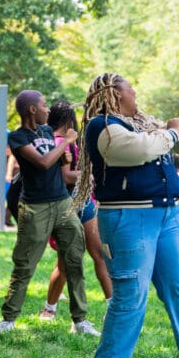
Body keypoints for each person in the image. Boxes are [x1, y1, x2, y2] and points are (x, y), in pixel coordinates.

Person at [73, 73, 179, 358]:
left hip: (167, 215)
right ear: (115, 94)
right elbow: (140, 150)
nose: (136, 95)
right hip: (128, 219)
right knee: (130, 296)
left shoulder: (141, 124)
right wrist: (173, 132)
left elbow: (158, 146)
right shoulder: (101, 127)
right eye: (132, 90)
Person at [0, 91, 97, 336]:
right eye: (43, 105)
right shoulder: (17, 137)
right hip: (35, 207)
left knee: (74, 259)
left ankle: (80, 320)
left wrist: (64, 156)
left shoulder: (45, 131)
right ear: (32, 109)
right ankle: (9, 319)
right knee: (25, 264)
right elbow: (42, 162)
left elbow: (58, 163)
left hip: (63, 202)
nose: (47, 110)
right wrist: (66, 141)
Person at [39, 100, 112, 320]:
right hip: (69, 203)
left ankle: (113, 306)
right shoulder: (60, 141)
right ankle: (49, 308)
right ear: (69, 119)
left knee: (96, 254)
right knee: (67, 261)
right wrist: (90, 175)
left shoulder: (59, 140)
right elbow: (65, 176)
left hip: (82, 203)